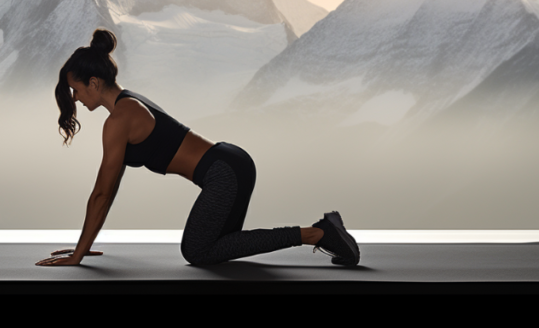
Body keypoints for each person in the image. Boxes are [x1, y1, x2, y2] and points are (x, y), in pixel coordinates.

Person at [36, 29, 360, 267]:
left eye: (76, 90)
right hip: (231, 162)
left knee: (197, 252)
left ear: (94, 82)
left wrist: (78, 256)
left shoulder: (120, 118)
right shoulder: (128, 103)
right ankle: (324, 232)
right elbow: (107, 193)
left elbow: (102, 194)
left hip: (223, 174)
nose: (75, 98)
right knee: (219, 246)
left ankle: (317, 234)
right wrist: (84, 246)